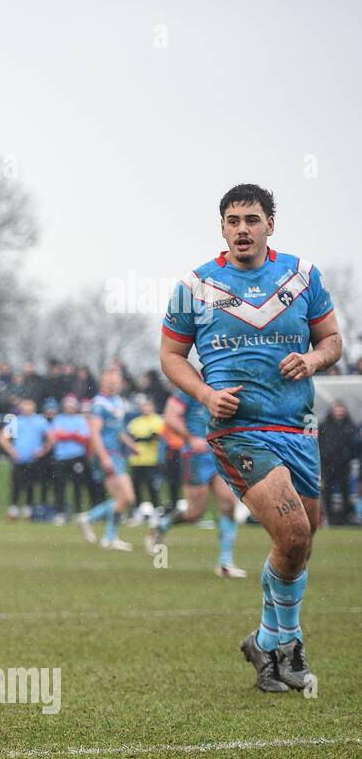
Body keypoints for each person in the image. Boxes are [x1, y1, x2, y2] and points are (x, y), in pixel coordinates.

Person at [161, 183, 341, 692]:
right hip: (238, 431)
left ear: (270, 225)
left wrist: (311, 359)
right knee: (292, 535)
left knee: (301, 543)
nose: (242, 228)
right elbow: (171, 356)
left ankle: (264, 641)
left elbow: (333, 341)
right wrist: (203, 394)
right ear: (222, 227)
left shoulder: (304, 277)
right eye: (233, 220)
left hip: (298, 429)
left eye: (252, 219)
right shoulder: (197, 285)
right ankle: (289, 646)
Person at [144, 391, 246, 577]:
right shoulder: (191, 386)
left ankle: (225, 563)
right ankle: (160, 527)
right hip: (196, 455)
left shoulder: (226, 383)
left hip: (221, 453)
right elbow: (170, 416)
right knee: (195, 512)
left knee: (229, 504)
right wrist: (190, 438)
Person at [78, 368, 136, 551]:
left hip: (117, 454)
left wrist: (130, 444)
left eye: (115, 381)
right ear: (103, 383)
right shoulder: (99, 404)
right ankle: (96, 524)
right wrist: (104, 458)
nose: (112, 384)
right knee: (126, 497)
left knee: (123, 498)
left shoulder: (117, 402)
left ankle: (104, 533)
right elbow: (95, 433)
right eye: (109, 382)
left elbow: (118, 430)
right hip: (107, 454)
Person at [0, 398, 49, 521]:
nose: (27, 407)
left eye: (29, 404)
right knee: (16, 485)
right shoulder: (17, 421)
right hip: (19, 459)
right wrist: (12, 451)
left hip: (33, 459)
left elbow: (51, 437)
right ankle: (13, 511)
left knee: (30, 485)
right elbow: (2, 437)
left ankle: (28, 511)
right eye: (25, 404)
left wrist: (42, 450)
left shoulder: (40, 421)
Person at [47, 394, 91, 521]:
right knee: (60, 485)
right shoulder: (58, 419)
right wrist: (73, 435)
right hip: (61, 457)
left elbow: (84, 438)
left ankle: (78, 512)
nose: (69, 408)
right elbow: (56, 436)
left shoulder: (80, 419)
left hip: (77, 457)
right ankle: (60, 512)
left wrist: (67, 434)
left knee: (78, 485)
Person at [319, 401, 358, 525]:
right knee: (327, 493)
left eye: (341, 409)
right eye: (337, 409)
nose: (339, 412)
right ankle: (329, 518)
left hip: (344, 465)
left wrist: (349, 457)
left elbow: (354, 446)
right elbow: (319, 443)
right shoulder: (324, 425)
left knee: (346, 492)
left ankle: (345, 518)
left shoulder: (350, 426)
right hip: (327, 464)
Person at [127, 397, 165, 513]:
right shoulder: (135, 422)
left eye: (148, 406)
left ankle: (156, 509)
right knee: (136, 486)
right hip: (136, 459)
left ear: (153, 407)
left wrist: (140, 439)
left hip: (152, 459)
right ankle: (138, 510)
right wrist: (144, 438)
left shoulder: (158, 420)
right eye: (144, 407)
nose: (146, 409)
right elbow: (131, 437)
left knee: (152, 485)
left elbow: (154, 437)